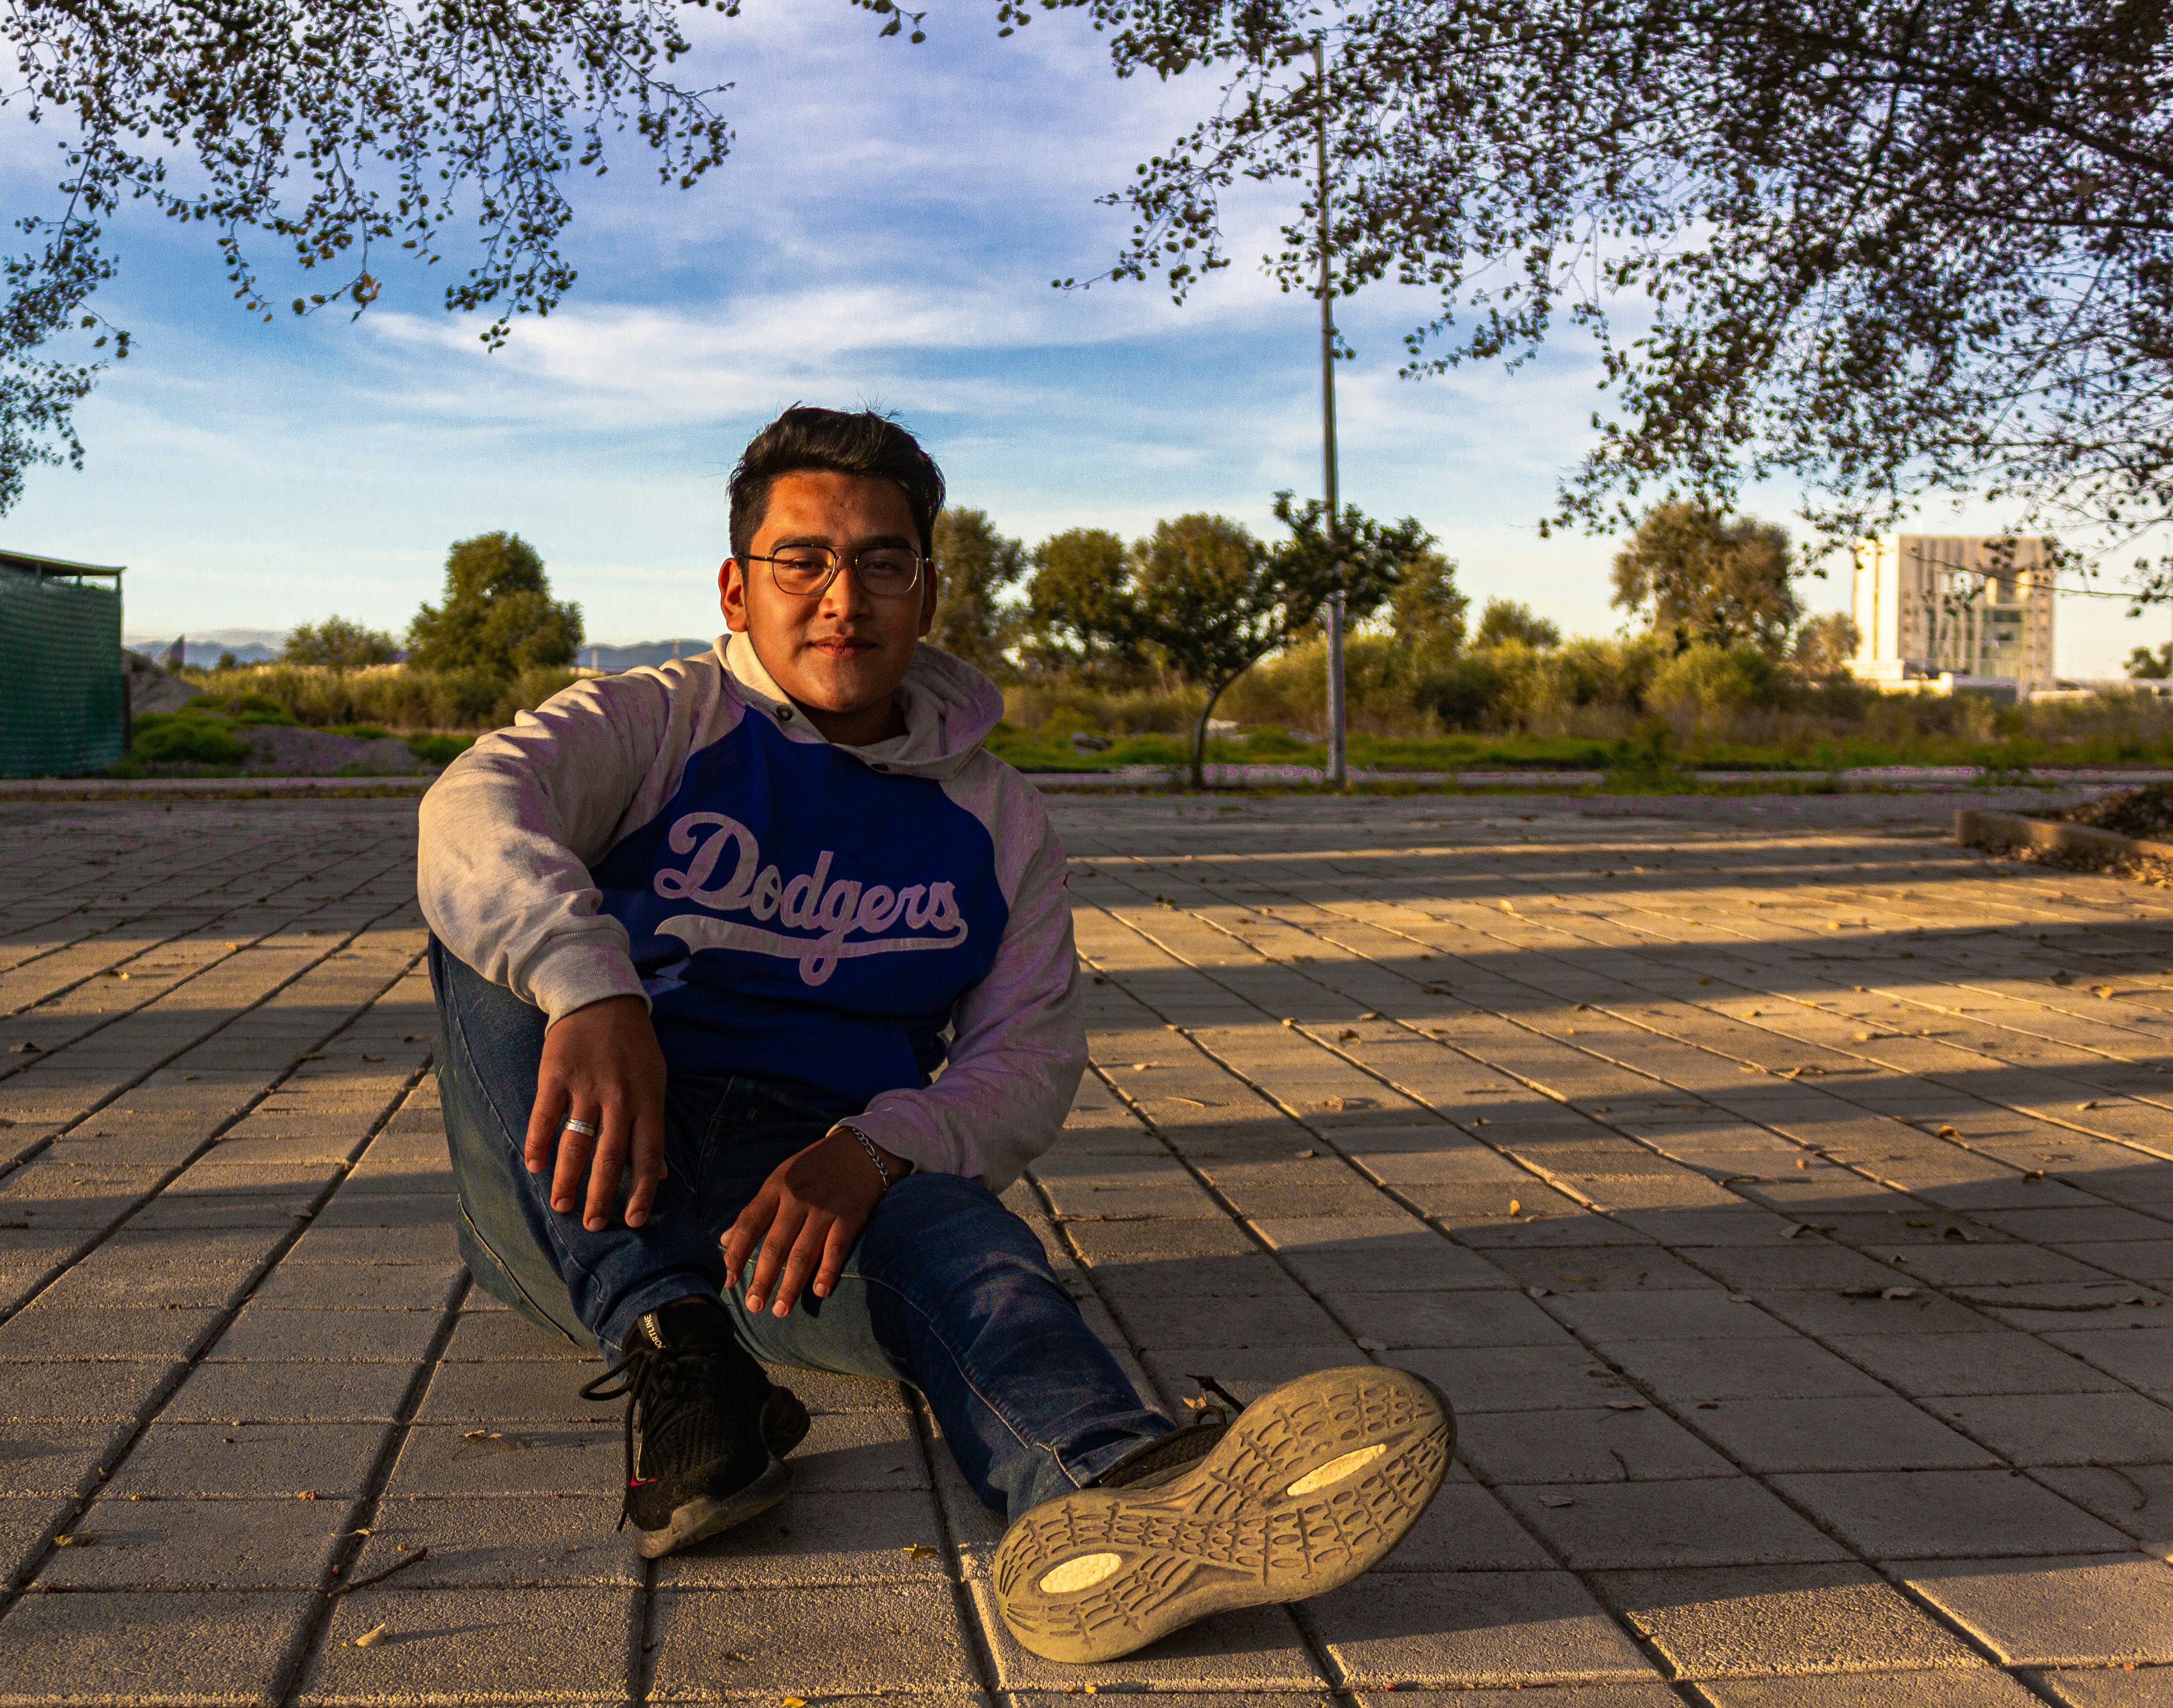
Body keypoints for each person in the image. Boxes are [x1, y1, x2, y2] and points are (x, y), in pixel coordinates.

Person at [415, 405, 1452, 1664]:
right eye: (804, 561)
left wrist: (879, 1149)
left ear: (930, 591)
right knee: (494, 935)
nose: (843, 598)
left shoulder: (996, 819)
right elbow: (472, 806)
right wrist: (594, 989)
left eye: (883, 562)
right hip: (587, 1189)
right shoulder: (654, 723)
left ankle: (1114, 1499)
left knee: (981, 1263)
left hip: (804, 1195)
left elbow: (1029, 1057)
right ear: (738, 590)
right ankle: (679, 1356)